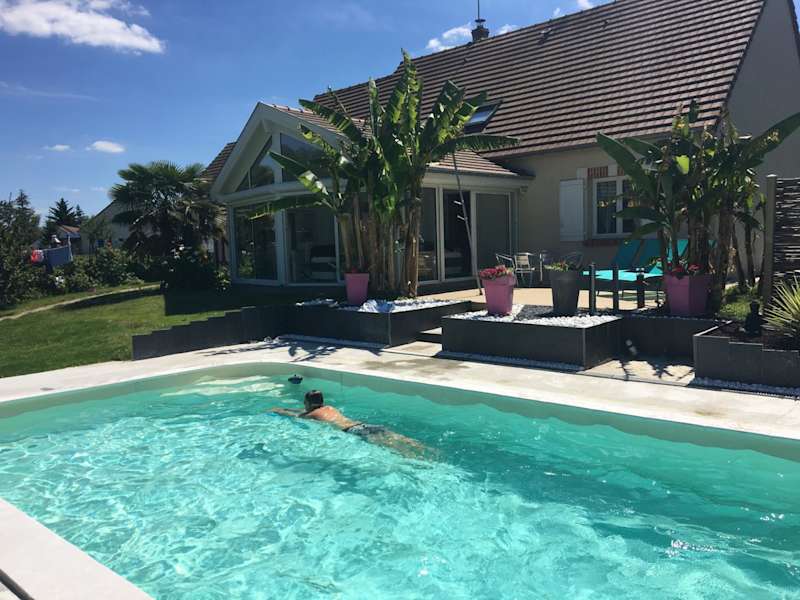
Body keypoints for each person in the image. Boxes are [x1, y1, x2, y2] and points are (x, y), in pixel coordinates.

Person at [272, 390, 426, 457]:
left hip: (353, 431)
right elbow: (305, 410)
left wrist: (279, 410)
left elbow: (297, 415)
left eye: (304, 402)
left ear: (307, 403)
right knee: (393, 436)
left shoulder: (310, 415)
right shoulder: (329, 408)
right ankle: (419, 446)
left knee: (388, 445)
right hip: (363, 424)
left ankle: (411, 457)